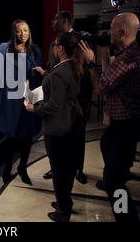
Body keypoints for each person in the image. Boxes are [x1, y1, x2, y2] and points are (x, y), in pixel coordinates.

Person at [81, 13, 140, 222]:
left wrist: (91, 63)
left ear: (123, 33)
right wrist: (103, 53)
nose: (108, 32)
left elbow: (101, 87)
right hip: (130, 120)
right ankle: (119, 170)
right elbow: (111, 76)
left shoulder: (127, 60)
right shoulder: (132, 52)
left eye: (112, 28)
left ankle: (126, 218)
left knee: (113, 181)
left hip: (127, 124)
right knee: (105, 142)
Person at [0, 20, 43, 185]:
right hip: (11, 99)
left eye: (25, 30)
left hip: (29, 97)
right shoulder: (5, 48)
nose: (23, 34)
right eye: (19, 31)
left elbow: (39, 73)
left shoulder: (35, 50)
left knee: (27, 137)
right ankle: (6, 171)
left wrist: (40, 73)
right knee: (11, 138)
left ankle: (23, 169)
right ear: (14, 33)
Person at [26, 32, 85, 222]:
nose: (53, 47)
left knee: (60, 171)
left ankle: (63, 211)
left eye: (55, 45)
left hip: (59, 128)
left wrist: (33, 108)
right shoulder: (72, 66)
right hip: (70, 124)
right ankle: (64, 202)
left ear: (60, 49)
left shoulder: (60, 73)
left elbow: (53, 105)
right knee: (66, 168)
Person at [41, 11, 91, 185]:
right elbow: (51, 67)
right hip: (57, 96)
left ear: (67, 21)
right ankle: (56, 168)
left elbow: (85, 72)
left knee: (77, 134)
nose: (53, 21)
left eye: (57, 19)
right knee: (58, 135)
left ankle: (78, 168)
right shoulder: (53, 44)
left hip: (77, 97)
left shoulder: (81, 40)